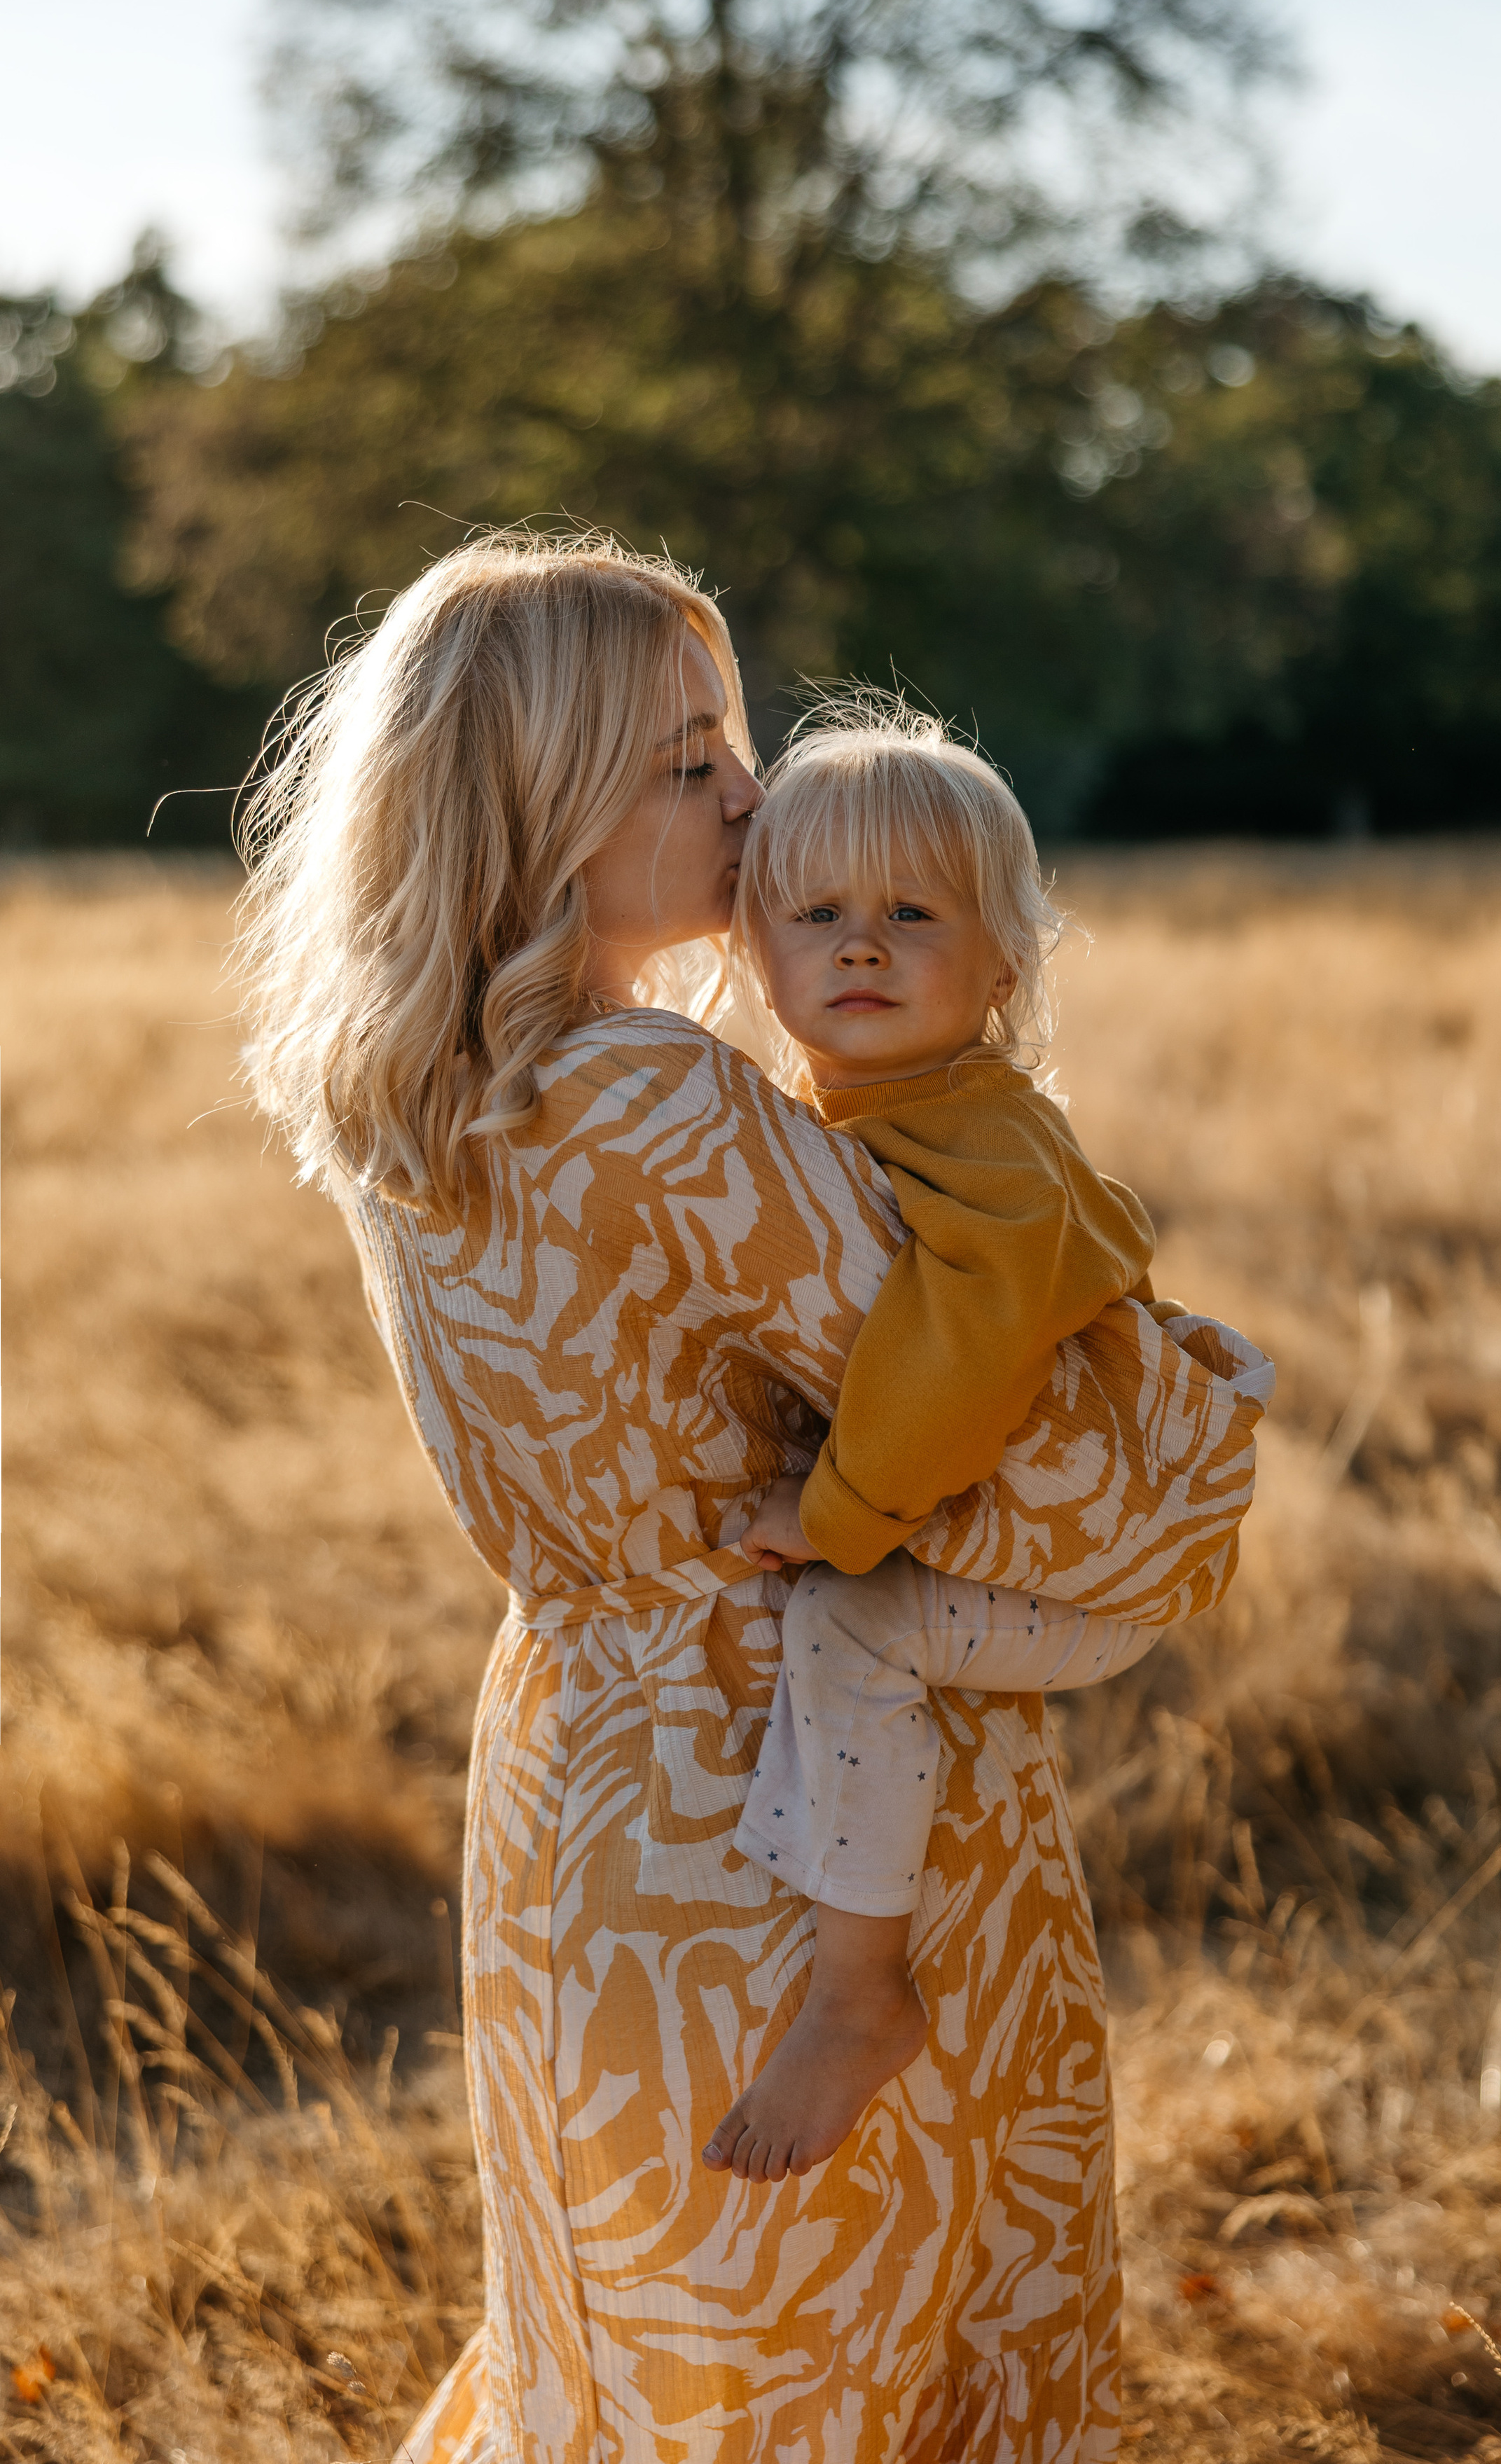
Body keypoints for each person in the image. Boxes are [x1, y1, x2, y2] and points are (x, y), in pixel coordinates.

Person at [237, 528, 1275, 2464]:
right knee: (858, 2346)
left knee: (643, 2347)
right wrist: (1193, 1403)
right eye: (687, 761)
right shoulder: (657, 1100)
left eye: (732, 740)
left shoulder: (423, 1094)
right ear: (540, 808)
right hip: (782, 1802)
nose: (751, 790)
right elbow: (1050, 1463)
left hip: (578, 1776)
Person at [701, 701, 1231, 2188]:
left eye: (910, 915)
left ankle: (859, 1996)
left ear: (1003, 963)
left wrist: (847, 1503)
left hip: (1091, 1577)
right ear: (755, 946)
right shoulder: (869, 1103)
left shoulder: (979, 1135)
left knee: (849, 1618)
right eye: (816, 914)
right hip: (1067, 1547)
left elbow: (975, 1329)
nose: (858, 947)